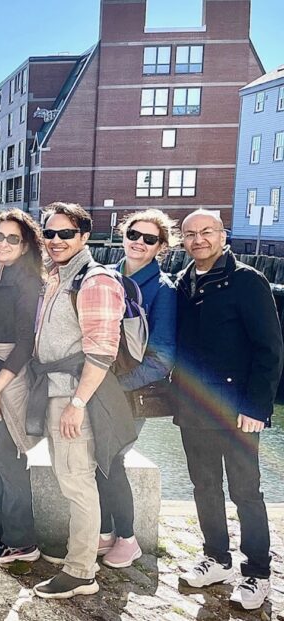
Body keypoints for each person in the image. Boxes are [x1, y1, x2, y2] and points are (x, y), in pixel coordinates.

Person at [174, 209, 282, 610]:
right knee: (204, 486)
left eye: (206, 231)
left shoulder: (246, 281)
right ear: (182, 240)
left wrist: (257, 406)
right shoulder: (185, 283)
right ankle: (216, 557)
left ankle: (256, 573)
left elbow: (270, 349)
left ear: (223, 236)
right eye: (190, 234)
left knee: (246, 492)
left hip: (239, 408)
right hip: (194, 406)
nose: (198, 239)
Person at [29, 202, 136, 599]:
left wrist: (77, 404)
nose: (56, 241)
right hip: (57, 390)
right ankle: (81, 554)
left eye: (66, 234)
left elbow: (102, 351)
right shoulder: (59, 276)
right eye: (50, 233)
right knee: (71, 479)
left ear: (85, 237)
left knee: (77, 483)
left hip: (73, 396)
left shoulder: (94, 281)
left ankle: (80, 573)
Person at [96, 210, 178, 568]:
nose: (139, 242)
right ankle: (101, 531)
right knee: (93, 457)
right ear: (123, 233)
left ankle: (127, 539)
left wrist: (113, 385)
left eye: (149, 239)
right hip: (95, 385)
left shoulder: (163, 290)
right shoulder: (104, 277)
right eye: (133, 233)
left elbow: (162, 358)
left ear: (161, 246)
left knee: (113, 458)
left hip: (128, 392)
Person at [0, 210, 45, 565]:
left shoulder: (28, 281)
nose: (3, 243)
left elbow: (24, 342)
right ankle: (0, 530)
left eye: (13, 239)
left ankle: (21, 541)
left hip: (9, 377)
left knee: (10, 458)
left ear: (25, 244)